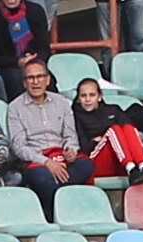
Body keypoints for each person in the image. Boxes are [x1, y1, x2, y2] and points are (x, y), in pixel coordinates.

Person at [6, 60, 86, 218]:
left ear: (48, 80)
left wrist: (71, 150)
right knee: (41, 178)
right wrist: (47, 162)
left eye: (40, 76)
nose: (36, 82)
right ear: (24, 82)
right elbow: (19, 146)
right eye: (31, 78)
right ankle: (63, 210)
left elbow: (70, 135)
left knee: (86, 165)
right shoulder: (14, 108)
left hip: (62, 157)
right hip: (37, 160)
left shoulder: (62, 102)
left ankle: (57, 202)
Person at [71, 79, 143, 180]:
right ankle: (131, 169)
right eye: (83, 96)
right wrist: (102, 139)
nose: (88, 99)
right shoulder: (74, 117)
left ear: (99, 97)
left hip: (118, 159)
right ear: (78, 99)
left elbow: (128, 130)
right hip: (96, 161)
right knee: (114, 129)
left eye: (92, 95)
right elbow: (84, 147)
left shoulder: (113, 109)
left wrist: (100, 137)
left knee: (128, 127)